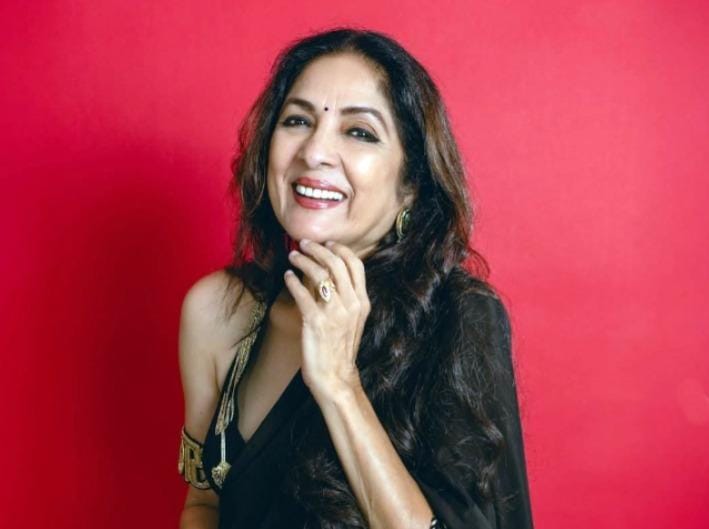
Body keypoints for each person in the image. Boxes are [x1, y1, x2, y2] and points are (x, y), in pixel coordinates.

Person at [177, 27, 534, 529]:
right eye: (298, 120)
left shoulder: (458, 317)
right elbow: (204, 504)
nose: (314, 151)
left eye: (359, 132)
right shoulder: (220, 311)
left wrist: (339, 385)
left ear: (410, 184)